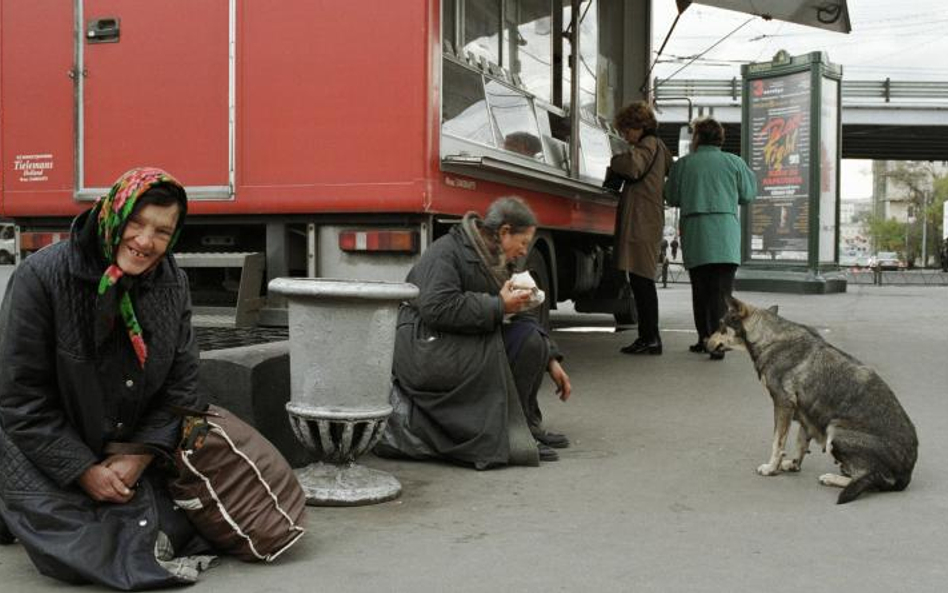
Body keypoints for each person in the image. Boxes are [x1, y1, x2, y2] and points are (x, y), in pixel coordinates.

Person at [0, 167, 216, 589]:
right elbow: (20, 397)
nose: (144, 242)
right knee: (78, 552)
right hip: (47, 444)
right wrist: (82, 469)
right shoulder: (42, 277)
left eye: (161, 231)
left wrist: (139, 455)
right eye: (136, 223)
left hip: (129, 448)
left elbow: (183, 386)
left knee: (185, 524)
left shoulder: (172, 282)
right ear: (111, 214)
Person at [377, 197, 572, 469]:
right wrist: (498, 305)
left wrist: (550, 359)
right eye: (524, 242)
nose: (523, 251)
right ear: (504, 232)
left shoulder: (496, 257)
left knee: (531, 337)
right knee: (521, 341)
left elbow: (521, 313)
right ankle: (507, 433)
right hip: (428, 345)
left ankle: (524, 426)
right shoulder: (446, 252)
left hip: (456, 337)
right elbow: (438, 308)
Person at [665, 117, 757, 360]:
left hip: (696, 232)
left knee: (701, 290)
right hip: (725, 235)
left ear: (696, 138)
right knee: (723, 293)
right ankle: (720, 340)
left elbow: (671, 196)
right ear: (720, 139)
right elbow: (748, 194)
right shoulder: (735, 163)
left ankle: (705, 338)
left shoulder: (684, 164)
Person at [609, 101, 673, 355]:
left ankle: (650, 337)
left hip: (641, 220)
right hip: (648, 218)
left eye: (627, 130)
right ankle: (649, 336)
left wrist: (615, 161)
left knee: (641, 281)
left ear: (640, 126)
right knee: (641, 280)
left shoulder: (647, 145)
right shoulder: (660, 147)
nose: (625, 136)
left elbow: (633, 167)